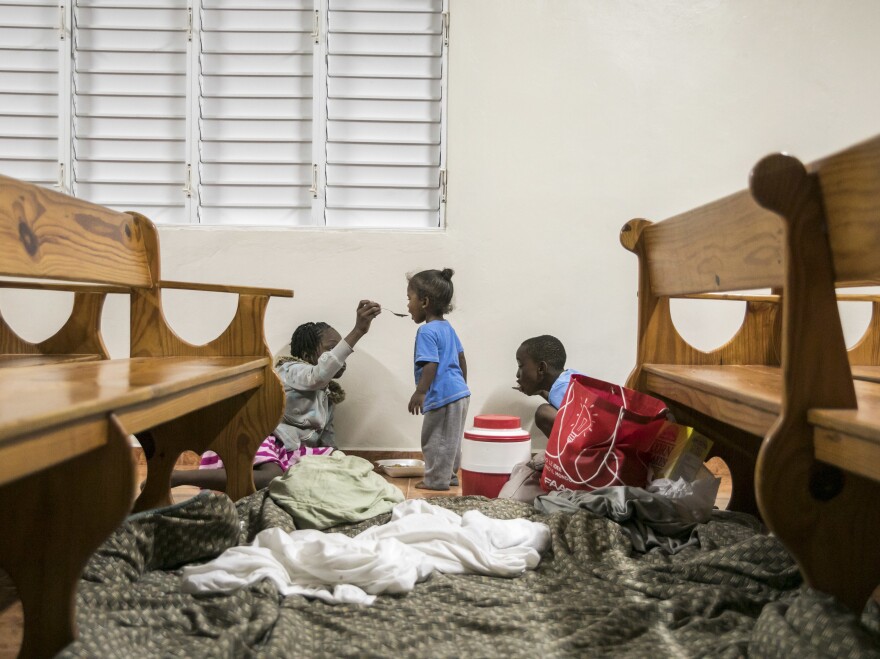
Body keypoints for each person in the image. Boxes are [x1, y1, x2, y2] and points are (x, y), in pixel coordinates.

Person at [169, 300, 382, 491]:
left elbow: (327, 440)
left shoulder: (326, 397)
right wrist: (358, 331)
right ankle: (180, 477)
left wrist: (338, 462)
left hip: (289, 451)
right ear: (307, 357)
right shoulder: (291, 370)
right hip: (261, 436)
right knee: (273, 477)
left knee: (343, 466)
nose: (340, 358)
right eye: (331, 351)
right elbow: (318, 375)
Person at [406, 268, 470, 491]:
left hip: (443, 394)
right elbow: (461, 358)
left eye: (409, 298)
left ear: (424, 301)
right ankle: (449, 476)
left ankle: (436, 480)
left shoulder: (427, 331)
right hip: (459, 392)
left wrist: (420, 392)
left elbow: (431, 364)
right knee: (451, 439)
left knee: (435, 439)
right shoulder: (447, 328)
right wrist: (462, 385)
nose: (407, 305)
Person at [514, 335, 582, 439]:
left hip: (598, 446)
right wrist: (540, 391)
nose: (518, 374)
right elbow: (562, 407)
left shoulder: (564, 389)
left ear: (541, 368)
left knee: (543, 412)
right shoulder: (570, 378)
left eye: (520, 366)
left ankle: (565, 455)